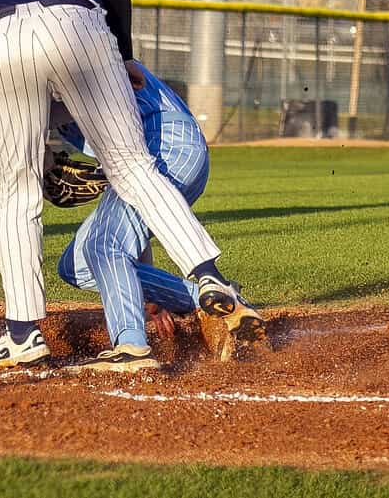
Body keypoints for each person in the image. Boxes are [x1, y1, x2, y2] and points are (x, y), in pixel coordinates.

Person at [0, 0, 262, 369]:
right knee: (133, 168)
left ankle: (22, 333)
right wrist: (122, 50)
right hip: (79, 22)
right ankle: (207, 277)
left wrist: (35, 158)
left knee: (17, 192)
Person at [48, 62, 265, 371]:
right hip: (168, 148)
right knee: (79, 265)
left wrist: (42, 164)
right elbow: (134, 224)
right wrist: (153, 297)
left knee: (102, 245)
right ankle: (211, 303)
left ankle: (130, 347)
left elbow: (40, 117)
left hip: (163, 144)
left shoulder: (51, 51)